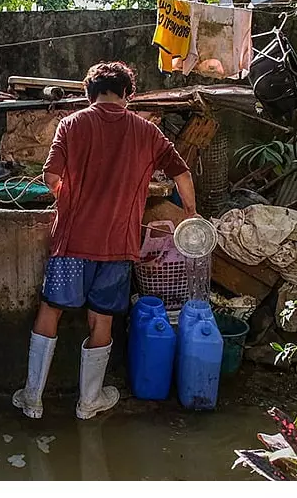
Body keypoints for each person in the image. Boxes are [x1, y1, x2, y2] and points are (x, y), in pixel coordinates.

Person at [12, 61, 197, 420]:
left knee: (51, 309)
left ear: (88, 93)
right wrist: (190, 215)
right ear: (127, 94)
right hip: (117, 245)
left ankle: (32, 398)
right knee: (102, 319)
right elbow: (181, 173)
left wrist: (70, 197)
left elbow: (51, 177)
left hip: (71, 241)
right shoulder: (147, 132)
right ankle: (89, 402)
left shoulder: (71, 124)